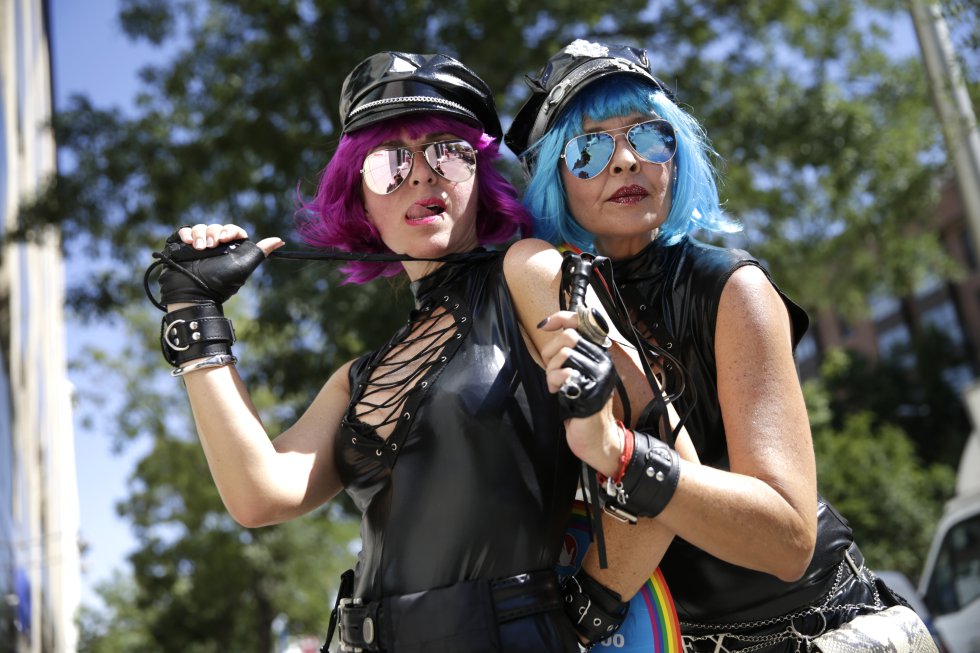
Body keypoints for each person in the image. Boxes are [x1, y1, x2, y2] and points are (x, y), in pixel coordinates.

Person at [146, 51, 628, 652]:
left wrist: (598, 604)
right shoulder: (358, 376)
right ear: (362, 202)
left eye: (449, 151)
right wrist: (194, 317)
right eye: (389, 162)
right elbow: (259, 494)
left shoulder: (528, 271)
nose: (422, 174)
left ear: (480, 178)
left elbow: (655, 441)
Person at [505, 39, 927, 652]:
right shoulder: (542, 297)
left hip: (817, 627)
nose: (625, 161)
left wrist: (622, 451)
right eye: (590, 148)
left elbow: (786, 538)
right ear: (553, 180)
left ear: (676, 154)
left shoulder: (733, 286)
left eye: (649, 136)